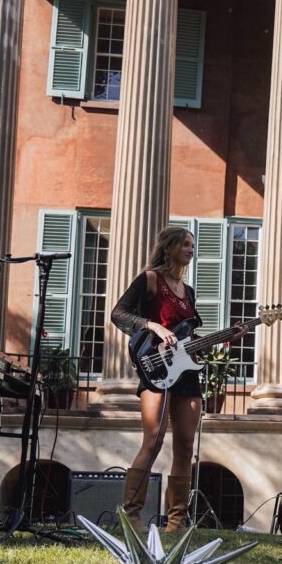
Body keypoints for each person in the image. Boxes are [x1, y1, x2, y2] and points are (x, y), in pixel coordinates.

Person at [110, 227, 243, 534]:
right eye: (185, 244)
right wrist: (153, 326)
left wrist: (225, 336)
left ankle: (176, 522)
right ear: (168, 248)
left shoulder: (188, 290)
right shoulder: (150, 279)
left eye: (193, 245)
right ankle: (131, 516)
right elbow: (119, 314)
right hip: (156, 367)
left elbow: (187, 338)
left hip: (186, 371)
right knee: (154, 438)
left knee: (185, 444)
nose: (190, 249)